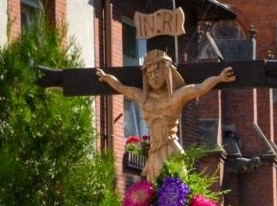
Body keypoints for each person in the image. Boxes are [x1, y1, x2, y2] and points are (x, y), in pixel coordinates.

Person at [96, 50, 235, 179]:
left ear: (167, 71)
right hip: (154, 152)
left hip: (171, 147)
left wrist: (219, 78)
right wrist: (105, 77)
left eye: (157, 72)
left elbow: (200, 88)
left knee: (177, 189)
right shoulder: (142, 97)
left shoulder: (176, 96)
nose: (153, 77)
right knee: (154, 191)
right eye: (149, 75)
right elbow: (120, 87)